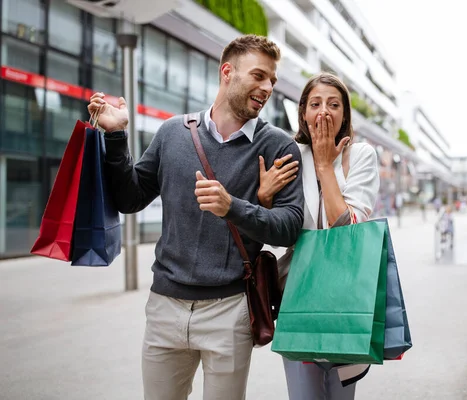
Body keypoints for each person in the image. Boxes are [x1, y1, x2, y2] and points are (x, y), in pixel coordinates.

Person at [87, 35, 304, 400]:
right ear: (227, 72)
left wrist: (232, 206)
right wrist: (116, 135)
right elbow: (131, 198)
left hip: (231, 310)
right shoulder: (173, 132)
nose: (267, 87)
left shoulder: (277, 145)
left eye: (272, 80)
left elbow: (289, 227)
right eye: (258, 76)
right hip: (164, 307)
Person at [256, 72, 380, 399]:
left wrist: (326, 165)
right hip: (299, 294)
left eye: (334, 104)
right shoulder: (289, 154)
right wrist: (264, 199)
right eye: (315, 103)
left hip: (347, 298)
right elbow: (278, 227)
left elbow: (348, 227)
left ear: (344, 114)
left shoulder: (362, 155)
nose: (324, 111)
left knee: (341, 394)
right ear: (303, 113)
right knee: (303, 394)